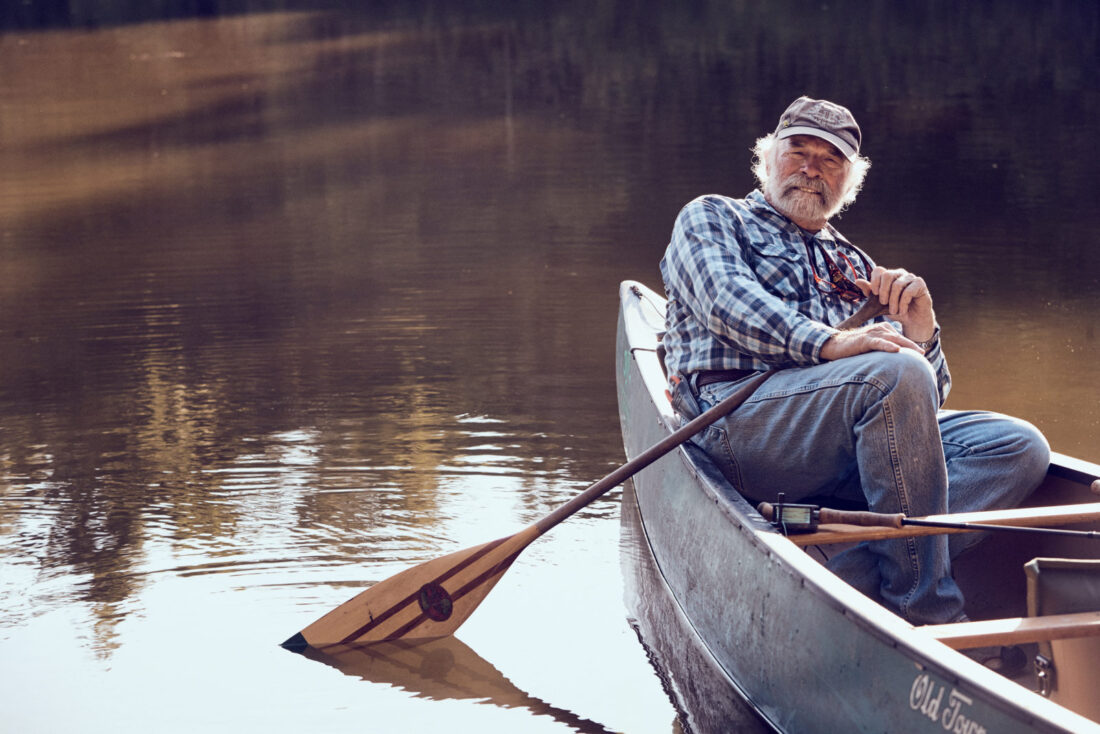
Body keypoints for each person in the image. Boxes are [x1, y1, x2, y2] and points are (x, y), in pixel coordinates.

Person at [660, 96, 1050, 627]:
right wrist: (830, 342)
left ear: (850, 181)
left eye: (831, 160)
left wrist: (923, 329)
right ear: (767, 157)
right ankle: (925, 610)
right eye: (798, 151)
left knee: (1018, 447)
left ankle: (845, 580)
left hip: (842, 442)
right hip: (735, 422)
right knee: (891, 377)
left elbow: (919, 402)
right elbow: (723, 300)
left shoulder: (856, 263)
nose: (811, 169)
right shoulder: (713, 216)